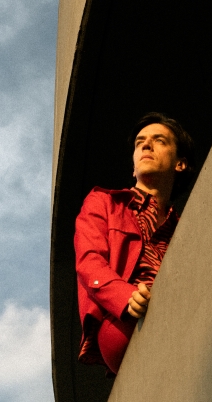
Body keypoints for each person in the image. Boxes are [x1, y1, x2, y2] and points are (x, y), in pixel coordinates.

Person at [73, 112, 196, 375]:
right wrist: (126, 297)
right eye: (140, 142)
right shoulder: (103, 202)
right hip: (126, 321)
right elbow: (89, 262)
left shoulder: (185, 227)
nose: (146, 146)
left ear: (180, 164)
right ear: (133, 167)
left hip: (183, 312)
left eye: (159, 140)